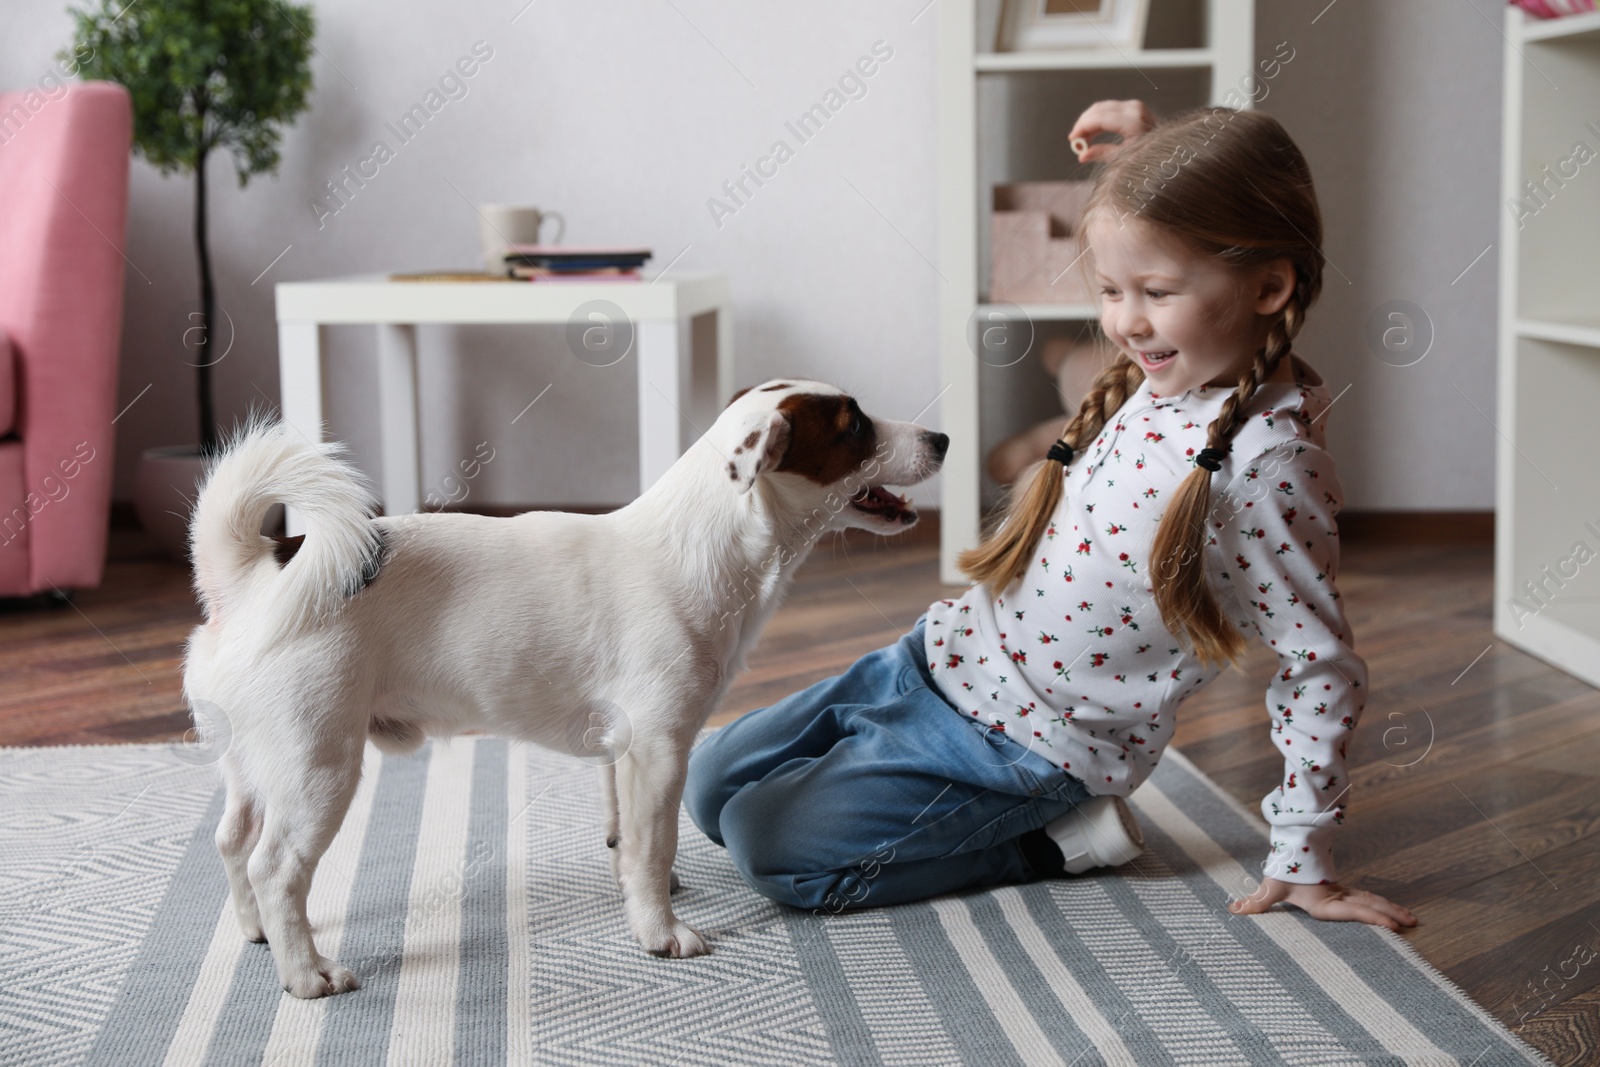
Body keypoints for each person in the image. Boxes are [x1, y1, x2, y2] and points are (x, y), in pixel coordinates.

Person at [683, 99, 1417, 932]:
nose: (1126, 321)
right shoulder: (1184, 362)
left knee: (767, 846)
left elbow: (1318, 667)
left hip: (1027, 745)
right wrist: (1145, 154)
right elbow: (1198, 236)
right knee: (708, 786)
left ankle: (1055, 842)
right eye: (1110, 290)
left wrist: (1303, 854)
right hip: (936, 657)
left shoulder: (1267, 465)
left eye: (1156, 292)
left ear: (1270, 286)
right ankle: (883, 771)